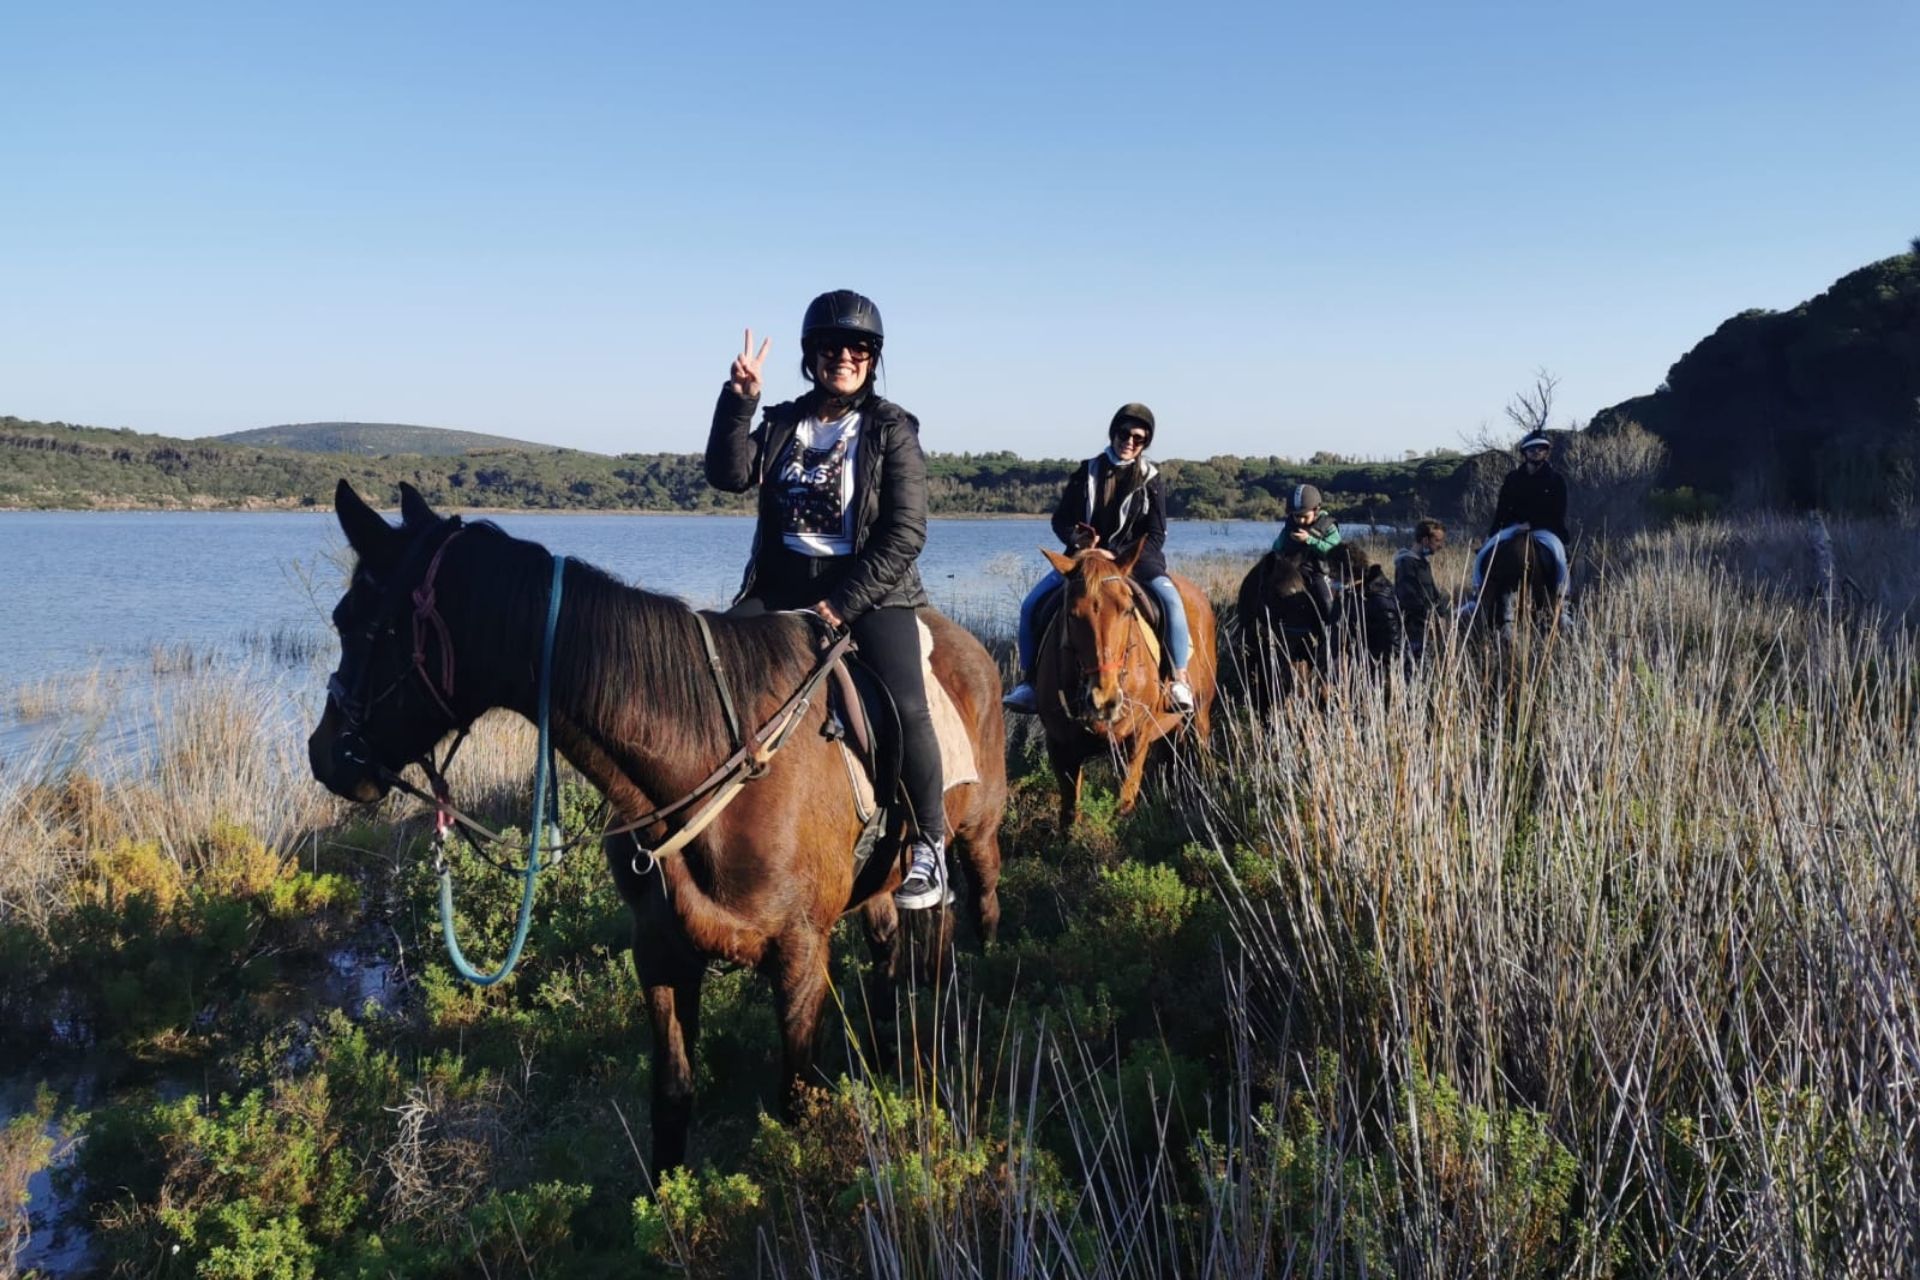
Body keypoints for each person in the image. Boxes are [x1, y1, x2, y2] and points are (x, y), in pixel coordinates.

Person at [705, 289, 949, 911]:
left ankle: (930, 845)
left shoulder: (892, 428)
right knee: (707, 669)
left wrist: (843, 605)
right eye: (833, 346)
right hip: (781, 585)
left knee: (904, 701)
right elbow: (728, 474)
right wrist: (740, 401)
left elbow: (905, 532)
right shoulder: (785, 421)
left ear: (873, 358)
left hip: (871, 590)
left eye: (859, 347)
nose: (846, 356)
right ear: (812, 355)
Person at [1002, 404, 1195, 715]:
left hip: (1133, 562)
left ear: (1145, 443)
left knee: (1171, 603)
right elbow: (1061, 520)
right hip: (1083, 561)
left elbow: (1157, 535)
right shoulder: (1086, 471)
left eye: (1139, 438)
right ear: (1113, 433)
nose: (1130, 442)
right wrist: (1074, 540)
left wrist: (1116, 555)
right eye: (1124, 434)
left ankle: (1178, 680)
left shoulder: (1152, 479)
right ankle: (1031, 683)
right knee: (1031, 606)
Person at [1464, 430, 1570, 611]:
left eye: (1541, 448)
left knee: (1559, 555)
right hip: (1514, 527)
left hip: (1544, 529)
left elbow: (1557, 511)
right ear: (1524, 452)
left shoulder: (1556, 480)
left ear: (1546, 452)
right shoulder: (1512, 478)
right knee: (1482, 554)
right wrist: (1493, 533)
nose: (1536, 452)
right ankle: (1477, 594)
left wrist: (1533, 524)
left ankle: (1564, 600)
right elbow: (1502, 508)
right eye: (1531, 449)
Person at [1273, 484, 1342, 619]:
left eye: (1304, 516)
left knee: (1327, 603)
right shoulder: (1290, 526)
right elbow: (1277, 547)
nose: (1300, 520)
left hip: (1318, 573)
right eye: (1296, 516)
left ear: (1316, 509)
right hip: (1292, 571)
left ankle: (1331, 630)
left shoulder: (1328, 527)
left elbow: (1334, 550)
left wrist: (1309, 540)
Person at [1394, 518, 1449, 658]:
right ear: (1425, 540)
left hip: (1424, 630)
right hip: (1413, 631)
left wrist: (1441, 613)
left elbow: (1432, 592)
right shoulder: (1406, 564)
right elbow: (1409, 598)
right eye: (1437, 541)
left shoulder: (1422, 563)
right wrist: (1428, 617)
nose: (1440, 545)